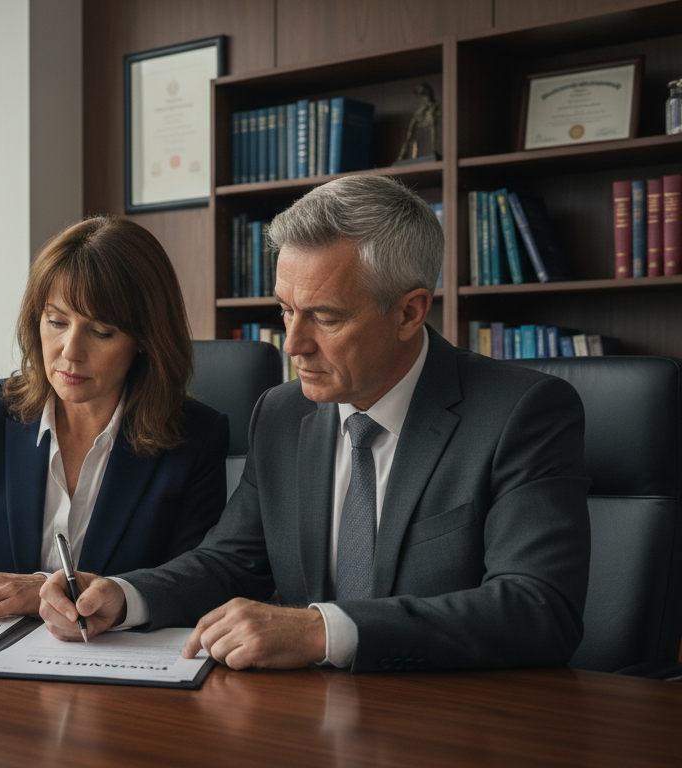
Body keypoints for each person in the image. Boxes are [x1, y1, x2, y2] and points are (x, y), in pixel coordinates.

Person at [41, 175, 592, 672]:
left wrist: (324, 630)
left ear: (409, 312)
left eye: (325, 317)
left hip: (454, 724)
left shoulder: (522, 413)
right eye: (285, 310)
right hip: (302, 724)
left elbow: (537, 608)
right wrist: (123, 594)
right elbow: (233, 561)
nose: (295, 344)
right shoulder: (283, 413)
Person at [0, 217, 229, 627]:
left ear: (144, 341)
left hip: (114, 667)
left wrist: (44, 590)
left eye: (101, 331)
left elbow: (195, 582)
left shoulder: (195, 436)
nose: (70, 351)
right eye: (57, 321)